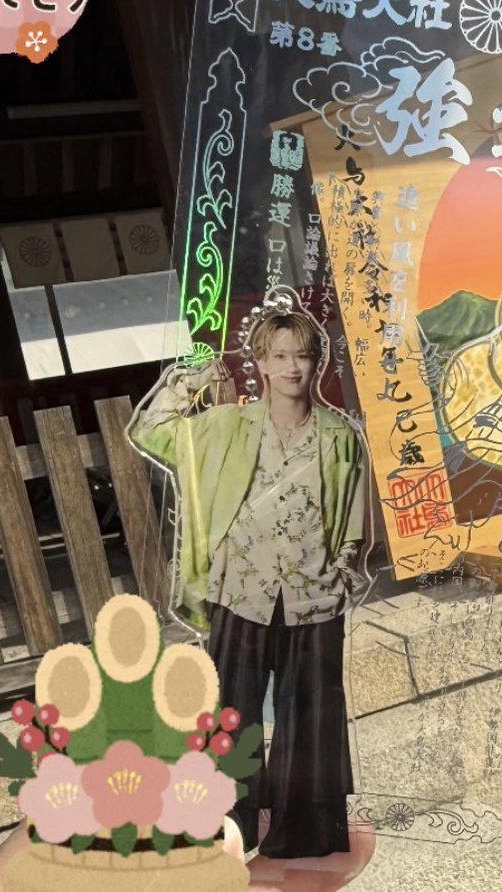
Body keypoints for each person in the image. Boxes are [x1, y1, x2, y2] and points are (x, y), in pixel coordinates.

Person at [128, 299, 367, 860]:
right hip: (241, 592)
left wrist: (340, 571)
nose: (292, 367)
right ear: (259, 362)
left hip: (314, 598)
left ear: (316, 362)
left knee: (310, 714)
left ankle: (304, 831)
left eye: (302, 356)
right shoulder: (227, 427)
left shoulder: (339, 434)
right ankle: (225, 825)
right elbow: (150, 430)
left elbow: (352, 517)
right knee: (230, 712)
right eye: (279, 356)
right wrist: (191, 379)